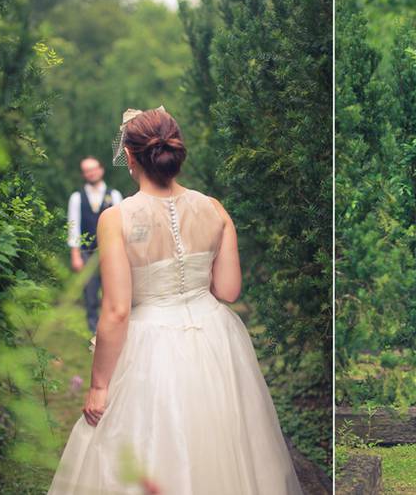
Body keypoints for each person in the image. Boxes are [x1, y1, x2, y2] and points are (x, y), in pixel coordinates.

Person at [49, 107, 304, 494]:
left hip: (150, 339)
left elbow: (117, 310)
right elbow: (229, 291)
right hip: (215, 337)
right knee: (224, 443)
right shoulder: (215, 209)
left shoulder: (117, 219)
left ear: (131, 157)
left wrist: (99, 386)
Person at [67, 156, 123, 333]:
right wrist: (75, 255)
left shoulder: (114, 195)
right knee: (90, 295)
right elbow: (73, 226)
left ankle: (112, 330)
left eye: (93, 169)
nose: (91, 173)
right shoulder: (77, 197)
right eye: (87, 170)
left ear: (101, 169)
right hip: (86, 252)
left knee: (111, 292)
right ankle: (94, 333)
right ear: (84, 174)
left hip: (110, 252)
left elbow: (121, 226)